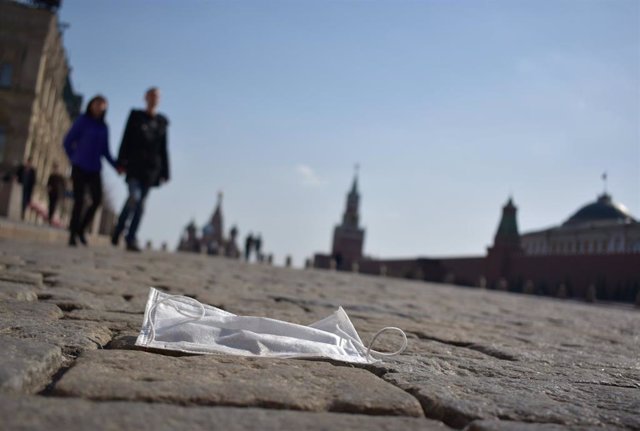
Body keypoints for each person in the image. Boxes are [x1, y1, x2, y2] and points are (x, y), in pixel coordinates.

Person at [112, 87, 170, 252]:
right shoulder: (136, 116)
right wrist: (120, 162)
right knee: (134, 197)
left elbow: (164, 149)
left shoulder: (161, 122)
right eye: (151, 96)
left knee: (141, 204)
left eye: (157, 96)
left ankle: (130, 237)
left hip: (150, 170)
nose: (154, 99)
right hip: (134, 165)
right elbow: (126, 138)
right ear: (145, 97)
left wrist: (166, 172)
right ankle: (119, 229)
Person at [63, 95, 120, 246]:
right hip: (79, 166)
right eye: (97, 103)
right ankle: (73, 234)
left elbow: (106, 151)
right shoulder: (82, 121)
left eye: (103, 105)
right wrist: (73, 157)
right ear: (91, 105)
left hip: (94, 168)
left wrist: (117, 166)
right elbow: (68, 141)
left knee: (97, 200)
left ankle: (82, 229)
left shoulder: (104, 127)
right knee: (79, 200)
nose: (99, 107)